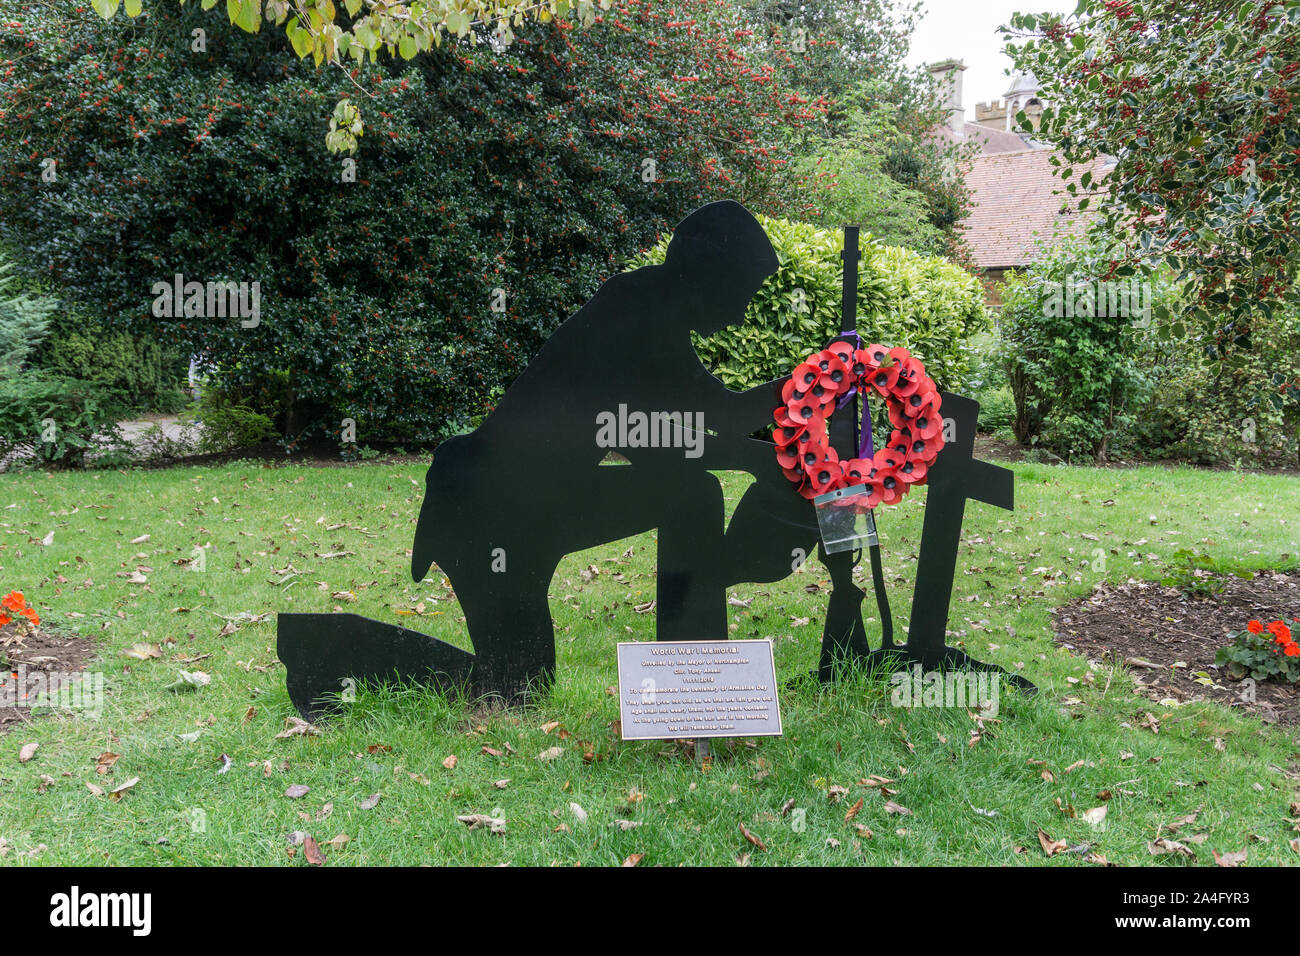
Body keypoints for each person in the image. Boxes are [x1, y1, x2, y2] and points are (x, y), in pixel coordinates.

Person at [412, 200, 818, 696]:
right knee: (513, 684)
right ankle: (695, 685)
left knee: (691, 495)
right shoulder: (640, 314)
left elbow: (688, 425)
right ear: (709, 276)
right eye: (740, 295)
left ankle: (697, 685)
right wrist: (809, 387)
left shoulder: (650, 305)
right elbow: (675, 437)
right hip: (492, 508)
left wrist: (807, 388)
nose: (739, 314)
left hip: (531, 500)